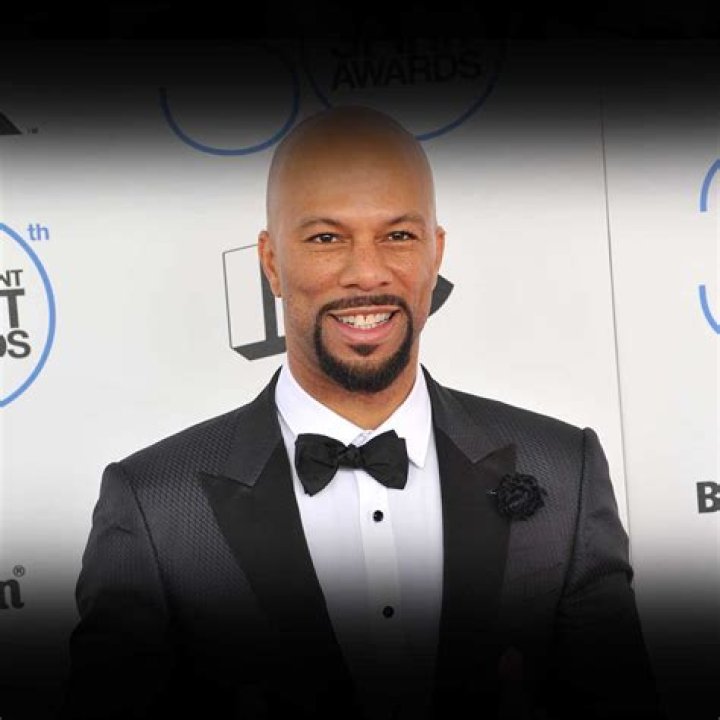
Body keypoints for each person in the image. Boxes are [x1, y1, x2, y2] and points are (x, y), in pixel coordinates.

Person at [61, 106, 664, 720]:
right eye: (327, 238)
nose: (367, 273)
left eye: (398, 236)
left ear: (435, 253)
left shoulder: (564, 472)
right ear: (271, 263)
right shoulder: (155, 507)